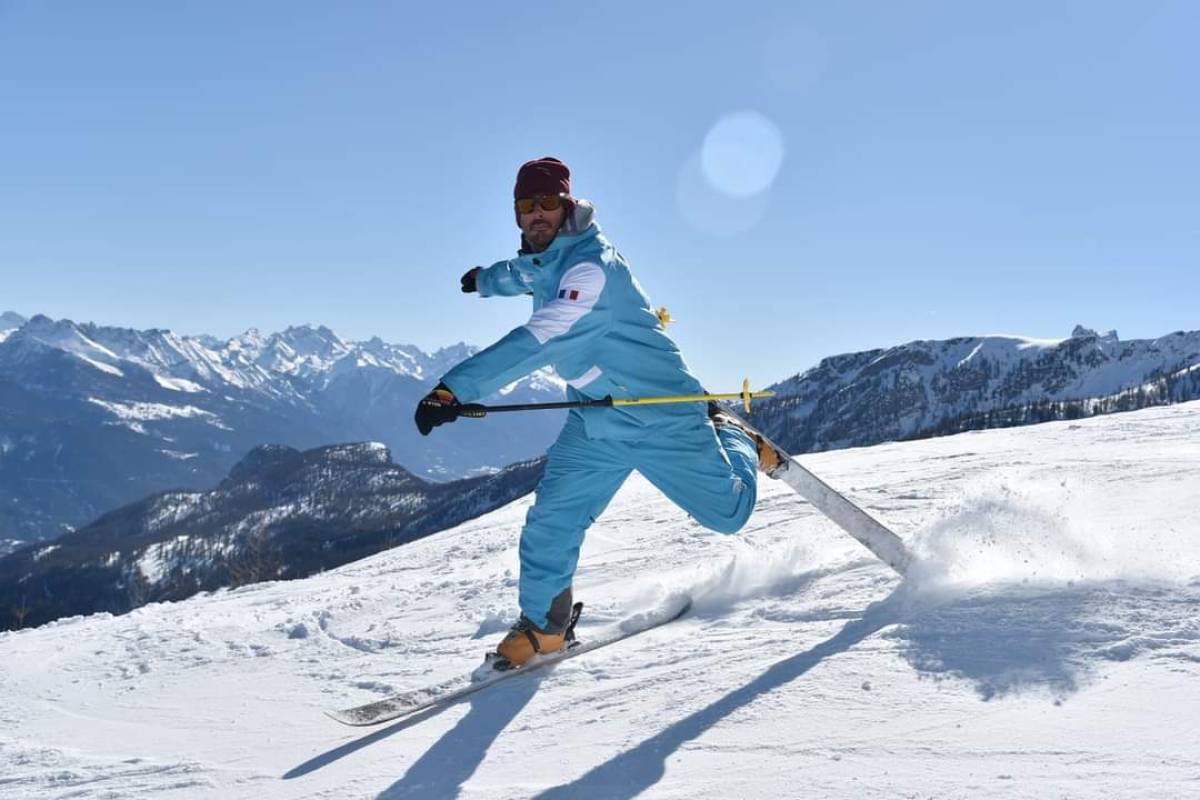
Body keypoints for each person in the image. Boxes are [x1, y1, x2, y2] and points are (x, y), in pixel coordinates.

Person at [414, 156, 782, 667]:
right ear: (516, 213)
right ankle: (546, 628)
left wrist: (454, 389)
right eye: (527, 205)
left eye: (547, 203)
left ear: (567, 206)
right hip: (595, 417)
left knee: (727, 515)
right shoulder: (548, 257)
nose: (537, 214)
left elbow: (543, 334)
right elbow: (525, 272)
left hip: (659, 411)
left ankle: (737, 439)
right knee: (552, 520)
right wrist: (485, 280)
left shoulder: (590, 269)